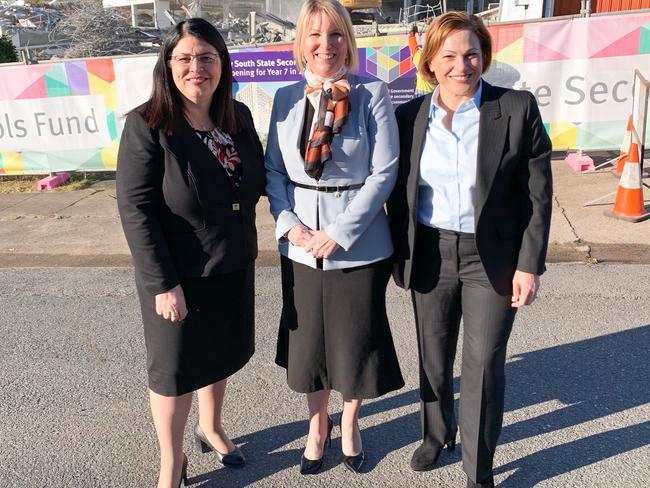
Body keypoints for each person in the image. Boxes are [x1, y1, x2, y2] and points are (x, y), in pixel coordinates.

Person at [387, 12, 553, 488]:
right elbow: (397, 192)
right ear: (431, 63)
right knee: (433, 355)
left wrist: (528, 265)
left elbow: (537, 195)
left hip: (492, 258)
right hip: (431, 252)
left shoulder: (516, 108)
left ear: (484, 55)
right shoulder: (409, 116)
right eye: (450, 56)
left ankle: (478, 467)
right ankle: (436, 433)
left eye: (472, 53)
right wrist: (402, 254)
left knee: (482, 364)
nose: (463, 65)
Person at [116, 18, 265, 488]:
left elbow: (258, 183)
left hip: (231, 263)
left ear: (221, 63)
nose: (195, 67)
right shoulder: (148, 125)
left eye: (206, 57)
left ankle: (212, 427)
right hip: (175, 275)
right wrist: (163, 283)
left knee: (218, 356)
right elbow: (135, 208)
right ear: (168, 65)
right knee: (173, 371)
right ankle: (170, 461)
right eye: (184, 58)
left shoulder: (237, 118)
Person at [265, 0, 404, 476]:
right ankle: (316, 425)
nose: (326, 45)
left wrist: (339, 233)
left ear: (349, 39)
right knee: (310, 346)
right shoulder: (284, 97)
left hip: (359, 243)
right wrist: (291, 226)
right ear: (301, 42)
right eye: (316, 35)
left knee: (354, 340)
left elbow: (384, 172)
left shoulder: (373, 93)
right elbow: (274, 171)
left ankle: (350, 421)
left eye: (336, 35)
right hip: (301, 245)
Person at [408, 23, 434, 97]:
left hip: (421, 99)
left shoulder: (420, 59)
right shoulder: (439, 60)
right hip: (435, 98)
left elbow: (413, 46)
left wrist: (412, 33)